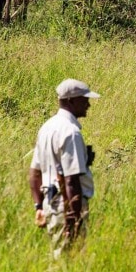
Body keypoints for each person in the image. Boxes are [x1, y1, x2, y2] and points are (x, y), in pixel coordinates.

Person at [29, 79, 100, 258]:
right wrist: (73, 219)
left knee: (58, 255)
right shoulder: (71, 132)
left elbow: (35, 173)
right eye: (84, 99)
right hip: (66, 206)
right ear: (71, 101)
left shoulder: (46, 127)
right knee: (70, 259)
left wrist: (39, 206)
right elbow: (71, 180)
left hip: (50, 203)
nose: (88, 104)